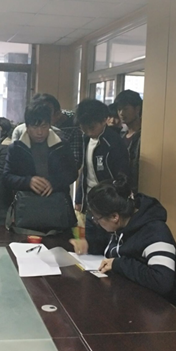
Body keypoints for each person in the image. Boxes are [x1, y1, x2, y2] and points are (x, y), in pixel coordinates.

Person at [69, 175, 176, 312]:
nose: (96, 222)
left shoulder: (155, 233)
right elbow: (113, 248)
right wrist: (89, 245)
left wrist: (119, 264)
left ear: (114, 217)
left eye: (97, 218)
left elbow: (161, 281)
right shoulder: (122, 224)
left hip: (164, 311)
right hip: (130, 300)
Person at [75, 98, 131, 250]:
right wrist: (79, 197)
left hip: (107, 207)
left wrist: (112, 203)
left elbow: (122, 178)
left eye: (91, 127)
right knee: (87, 246)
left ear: (104, 120)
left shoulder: (114, 143)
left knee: (107, 247)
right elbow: (85, 171)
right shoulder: (86, 139)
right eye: (83, 127)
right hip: (89, 203)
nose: (87, 131)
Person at [3, 101, 77, 204]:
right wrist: (28, 182)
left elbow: (72, 173)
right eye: (35, 127)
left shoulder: (61, 145)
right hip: (26, 204)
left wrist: (54, 183)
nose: (40, 132)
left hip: (57, 203)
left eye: (44, 126)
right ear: (27, 127)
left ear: (50, 125)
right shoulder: (17, 148)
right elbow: (7, 177)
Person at [12, 93, 83, 168]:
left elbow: (74, 164)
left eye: (46, 112)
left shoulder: (67, 133)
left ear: (58, 114)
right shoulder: (20, 130)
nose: (39, 132)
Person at [114, 90, 142, 194]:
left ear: (137, 109)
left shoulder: (144, 136)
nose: (121, 113)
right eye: (119, 109)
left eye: (125, 109)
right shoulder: (120, 136)